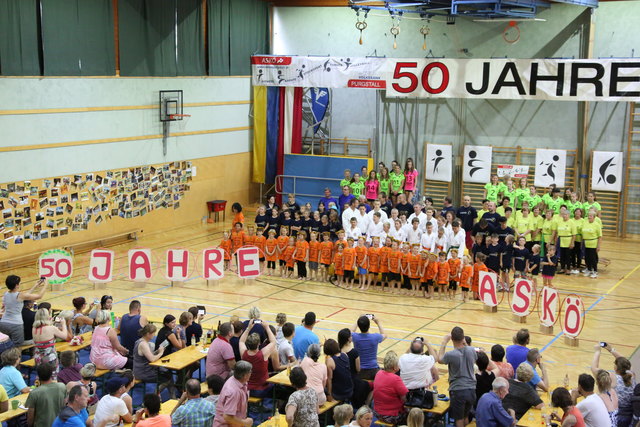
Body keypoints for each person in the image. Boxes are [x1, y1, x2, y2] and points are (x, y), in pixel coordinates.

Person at [437, 327, 478, 427]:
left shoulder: (451, 354)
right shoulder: (472, 350)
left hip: (458, 390)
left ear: (452, 339)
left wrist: (444, 342)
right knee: (465, 416)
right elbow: (474, 357)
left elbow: (440, 359)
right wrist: (465, 343)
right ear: (463, 338)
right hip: (471, 389)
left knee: (459, 419)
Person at [591, 343, 636, 427]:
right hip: (630, 416)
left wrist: (597, 352)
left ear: (615, 368)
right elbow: (627, 362)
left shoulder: (612, 377)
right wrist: (611, 350)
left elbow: (593, 368)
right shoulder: (631, 375)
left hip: (616, 415)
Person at [0, 275, 46, 345]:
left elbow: (25, 295)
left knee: (5, 345)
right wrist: (46, 284)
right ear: (16, 285)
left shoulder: (6, 294)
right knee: (17, 346)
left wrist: (35, 285)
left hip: (3, 323)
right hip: (15, 324)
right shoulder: (19, 295)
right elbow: (39, 296)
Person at [133, 323, 176, 398]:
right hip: (143, 372)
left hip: (141, 369)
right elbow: (152, 359)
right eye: (153, 334)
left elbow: (149, 355)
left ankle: (173, 397)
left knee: (168, 374)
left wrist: (157, 352)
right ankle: (154, 396)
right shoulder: (143, 344)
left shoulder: (140, 341)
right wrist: (161, 352)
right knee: (167, 378)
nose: (154, 335)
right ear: (148, 334)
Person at [239, 319, 276, 397]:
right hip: (261, 390)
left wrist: (248, 328)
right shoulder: (263, 354)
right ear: (259, 343)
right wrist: (267, 327)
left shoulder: (244, 353)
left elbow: (241, 341)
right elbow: (273, 341)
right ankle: (268, 407)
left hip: (247, 388)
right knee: (277, 386)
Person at [212, 360, 253, 427]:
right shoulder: (233, 392)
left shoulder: (238, 380)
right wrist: (245, 422)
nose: (251, 373)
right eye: (250, 372)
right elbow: (227, 417)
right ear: (245, 375)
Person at [372, 351, 408, 425]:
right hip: (390, 416)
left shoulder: (378, 373)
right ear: (395, 367)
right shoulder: (396, 379)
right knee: (412, 412)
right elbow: (404, 398)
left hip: (377, 413)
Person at [32, 307, 69, 379]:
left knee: (41, 376)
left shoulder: (34, 328)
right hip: (49, 357)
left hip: (38, 356)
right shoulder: (51, 328)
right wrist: (64, 324)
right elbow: (64, 336)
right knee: (52, 377)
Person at [350, 314, 386, 380]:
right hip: (373, 370)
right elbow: (384, 335)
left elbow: (349, 332)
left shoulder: (355, 337)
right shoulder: (375, 337)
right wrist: (378, 322)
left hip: (359, 370)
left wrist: (358, 320)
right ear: (369, 326)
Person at [324, 338, 354, 403]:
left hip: (339, 394)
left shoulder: (330, 361)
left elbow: (329, 380)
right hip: (349, 390)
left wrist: (329, 395)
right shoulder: (345, 355)